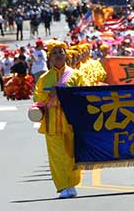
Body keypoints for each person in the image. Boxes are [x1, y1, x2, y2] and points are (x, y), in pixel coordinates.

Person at [33, 40, 86, 198]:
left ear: (66, 55)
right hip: (51, 122)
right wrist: (50, 96)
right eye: (54, 53)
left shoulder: (76, 75)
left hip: (71, 121)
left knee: (72, 155)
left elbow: (84, 94)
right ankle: (63, 186)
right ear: (49, 58)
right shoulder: (44, 78)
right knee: (57, 156)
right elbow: (38, 98)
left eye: (60, 52)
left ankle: (72, 183)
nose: (58, 56)